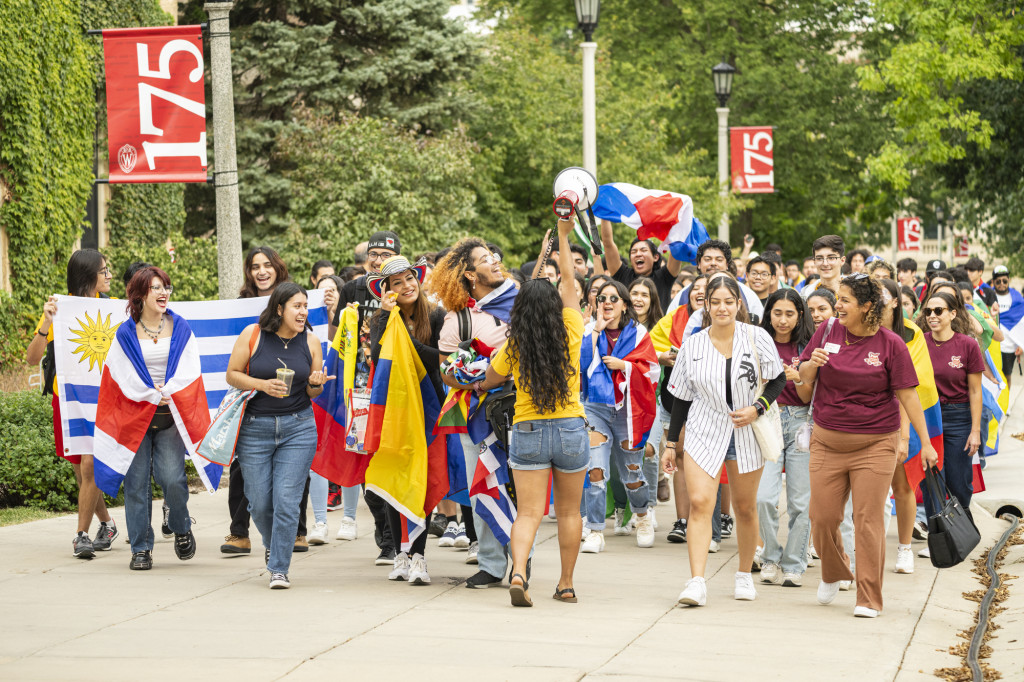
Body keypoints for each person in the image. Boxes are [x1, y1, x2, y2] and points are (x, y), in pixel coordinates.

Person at [798, 274, 939, 617]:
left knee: (868, 520)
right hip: (827, 441)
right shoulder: (828, 331)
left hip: (876, 444)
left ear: (866, 307)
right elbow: (803, 386)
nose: (838, 306)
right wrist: (810, 367)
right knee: (821, 517)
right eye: (838, 299)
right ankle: (834, 570)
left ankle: (868, 598)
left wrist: (926, 445)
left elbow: (908, 395)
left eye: (845, 300)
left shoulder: (891, 344)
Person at [482, 216, 588, 607]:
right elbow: (569, 284)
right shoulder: (571, 328)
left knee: (526, 514)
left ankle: (519, 572)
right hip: (571, 429)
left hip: (527, 429)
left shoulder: (516, 344)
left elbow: (492, 378)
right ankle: (565, 584)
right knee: (568, 513)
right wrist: (562, 239)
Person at [663, 274, 786, 607]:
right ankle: (697, 581)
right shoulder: (694, 344)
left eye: (728, 302)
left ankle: (744, 574)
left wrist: (757, 408)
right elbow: (681, 398)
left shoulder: (757, 337)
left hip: (747, 431)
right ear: (706, 305)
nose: (722, 308)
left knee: (745, 508)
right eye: (715, 302)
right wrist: (672, 443)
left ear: (739, 305)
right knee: (701, 503)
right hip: (705, 428)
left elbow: (778, 380)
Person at [225, 283, 331, 589]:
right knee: (258, 503)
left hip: (298, 427)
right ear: (280, 308)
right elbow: (232, 374)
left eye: (305, 307)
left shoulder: (311, 341)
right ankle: (275, 542)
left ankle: (279, 566)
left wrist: (316, 382)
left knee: (287, 501)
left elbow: (313, 391)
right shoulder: (253, 334)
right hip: (255, 428)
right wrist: (261, 384)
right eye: (297, 306)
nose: (303, 312)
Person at [432, 237, 519, 588]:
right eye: (485, 259)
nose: (495, 261)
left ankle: (521, 559)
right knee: (483, 487)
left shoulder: (520, 301)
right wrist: (475, 376)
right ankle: (491, 562)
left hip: (523, 411)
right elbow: (446, 371)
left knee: (521, 488)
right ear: (469, 274)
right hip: (479, 417)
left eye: (494, 256)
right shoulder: (457, 321)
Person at [26, 248, 117, 558]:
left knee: (90, 466)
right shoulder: (59, 308)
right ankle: (106, 523)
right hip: (67, 399)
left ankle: (81, 536)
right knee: (81, 473)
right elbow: (32, 358)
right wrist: (46, 323)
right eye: (104, 270)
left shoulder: (115, 309)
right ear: (88, 275)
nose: (109, 276)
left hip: (102, 399)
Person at [367, 256, 448, 585]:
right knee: (394, 479)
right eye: (397, 282)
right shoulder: (380, 320)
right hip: (395, 411)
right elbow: (376, 358)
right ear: (386, 290)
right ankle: (400, 552)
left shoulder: (438, 316)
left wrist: (410, 345)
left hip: (429, 409)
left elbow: (442, 359)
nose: (406, 286)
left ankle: (420, 556)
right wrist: (389, 320)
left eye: (409, 279)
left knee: (421, 480)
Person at [114, 267, 199, 570]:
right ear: (140, 295)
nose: (163, 293)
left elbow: (191, 368)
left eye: (166, 287)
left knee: (173, 479)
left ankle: (181, 525)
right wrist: (150, 392)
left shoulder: (180, 326)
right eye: (155, 288)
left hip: (168, 416)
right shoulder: (125, 332)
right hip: (136, 417)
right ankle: (141, 548)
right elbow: (118, 375)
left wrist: (170, 389)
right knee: (136, 484)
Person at [331, 231, 402, 565]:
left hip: (395, 390)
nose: (377, 260)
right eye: (373, 254)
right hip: (358, 390)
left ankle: (397, 535)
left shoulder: (405, 288)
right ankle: (385, 535)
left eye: (385, 255)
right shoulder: (353, 289)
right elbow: (336, 336)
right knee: (366, 463)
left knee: (392, 460)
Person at [223, 246, 295, 556]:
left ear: (278, 268)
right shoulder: (241, 306)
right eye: (255, 266)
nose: (261, 271)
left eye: (267, 265)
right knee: (243, 469)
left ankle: (298, 533)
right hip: (249, 396)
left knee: (292, 471)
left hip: (290, 396)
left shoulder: (296, 301)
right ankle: (239, 532)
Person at [580, 280, 659, 553]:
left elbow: (652, 372)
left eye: (614, 298)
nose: (608, 302)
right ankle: (595, 530)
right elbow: (579, 366)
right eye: (603, 297)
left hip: (628, 411)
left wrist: (625, 365)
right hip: (596, 408)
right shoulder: (590, 330)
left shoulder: (639, 333)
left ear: (624, 304)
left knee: (632, 473)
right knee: (596, 471)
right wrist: (596, 332)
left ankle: (642, 515)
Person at [756, 289, 814, 587]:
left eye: (789, 313)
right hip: (767, 420)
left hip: (802, 422)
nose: (782, 320)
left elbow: (808, 394)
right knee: (763, 497)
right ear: (769, 315)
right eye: (777, 313)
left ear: (800, 315)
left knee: (800, 503)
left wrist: (799, 377)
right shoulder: (757, 343)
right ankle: (769, 556)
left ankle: (794, 564)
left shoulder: (807, 347)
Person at [917, 292, 984, 520]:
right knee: (931, 479)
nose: (932, 316)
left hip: (959, 417)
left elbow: (975, 391)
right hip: (928, 417)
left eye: (938, 311)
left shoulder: (967, 345)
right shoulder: (919, 343)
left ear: (953, 313)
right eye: (928, 311)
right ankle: (939, 535)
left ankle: (961, 529)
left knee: (959, 482)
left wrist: (975, 431)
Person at [310, 274, 359, 544]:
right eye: (321, 291)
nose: (326, 295)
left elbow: (338, 339)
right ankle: (319, 521)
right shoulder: (307, 319)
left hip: (346, 389)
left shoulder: (350, 318)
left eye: (332, 290)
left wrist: (334, 312)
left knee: (349, 449)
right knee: (316, 456)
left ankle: (349, 518)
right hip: (318, 392)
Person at [598, 220, 682, 306]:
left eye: (643, 250)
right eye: (634, 251)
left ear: (655, 257)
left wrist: (679, 218)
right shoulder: (622, 275)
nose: (638, 254)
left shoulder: (665, 277)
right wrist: (605, 217)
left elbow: (677, 247)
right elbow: (607, 243)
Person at [991, 265, 1022, 387]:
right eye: (998, 281)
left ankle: (1006, 404)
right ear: (993, 282)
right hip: (992, 344)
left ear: (1009, 280)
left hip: (1009, 345)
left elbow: (1021, 322)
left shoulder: (1017, 297)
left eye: (1004, 281)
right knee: (992, 376)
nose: (1002, 284)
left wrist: (1021, 344)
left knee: (1007, 375)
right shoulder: (989, 296)